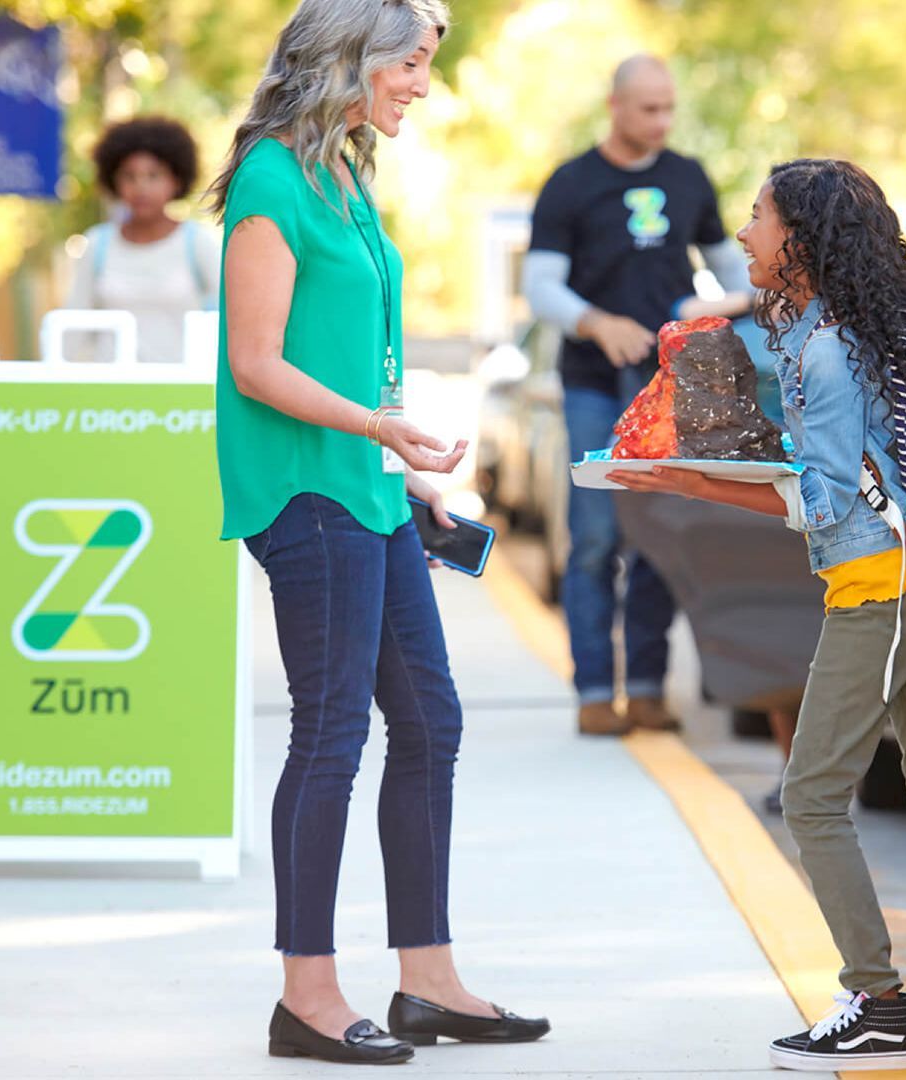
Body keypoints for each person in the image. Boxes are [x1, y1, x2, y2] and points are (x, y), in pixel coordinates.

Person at [615, 158, 906, 1078]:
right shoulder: (871, 328)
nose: (745, 233)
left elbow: (831, 504)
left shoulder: (831, 347)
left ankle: (876, 1003)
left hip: (884, 591)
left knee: (812, 794)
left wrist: (697, 482)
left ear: (799, 241)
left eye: (758, 218)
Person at [209, 0, 547, 1065]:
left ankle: (429, 980)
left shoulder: (347, 174)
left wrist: (398, 471)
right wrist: (377, 429)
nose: (422, 84)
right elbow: (256, 362)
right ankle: (305, 997)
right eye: (411, 63)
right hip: (303, 493)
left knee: (432, 722)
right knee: (331, 734)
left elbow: (352, 347)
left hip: (363, 487)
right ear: (349, 59)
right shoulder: (271, 179)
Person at [521, 54, 754, 736]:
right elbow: (541, 286)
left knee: (659, 537)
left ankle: (648, 687)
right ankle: (595, 689)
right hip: (594, 382)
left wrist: (725, 306)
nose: (661, 120)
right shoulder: (571, 184)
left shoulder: (687, 178)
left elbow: (730, 268)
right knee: (594, 539)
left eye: (668, 108)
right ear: (615, 105)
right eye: (648, 108)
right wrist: (598, 323)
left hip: (672, 385)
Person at [64, 116, 221, 363]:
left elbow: (230, 319)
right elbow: (72, 328)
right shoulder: (97, 245)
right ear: (114, 180)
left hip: (181, 394)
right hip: (111, 393)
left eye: (154, 175)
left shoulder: (197, 243)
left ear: (176, 180)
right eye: (129, 176)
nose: (141, 188)